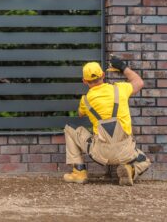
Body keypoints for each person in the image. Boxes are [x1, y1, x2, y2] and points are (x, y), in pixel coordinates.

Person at [63, 57, 151, 186]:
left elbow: (80, 113)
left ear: (84, 81)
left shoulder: (85, 100)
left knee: (69, 128)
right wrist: (123, 67)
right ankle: (131, 169)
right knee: (145, 161)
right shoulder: (120, 89)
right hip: (126, 152)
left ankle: (79, 172)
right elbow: (139, 82)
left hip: (100, 153)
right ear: (103, 75)